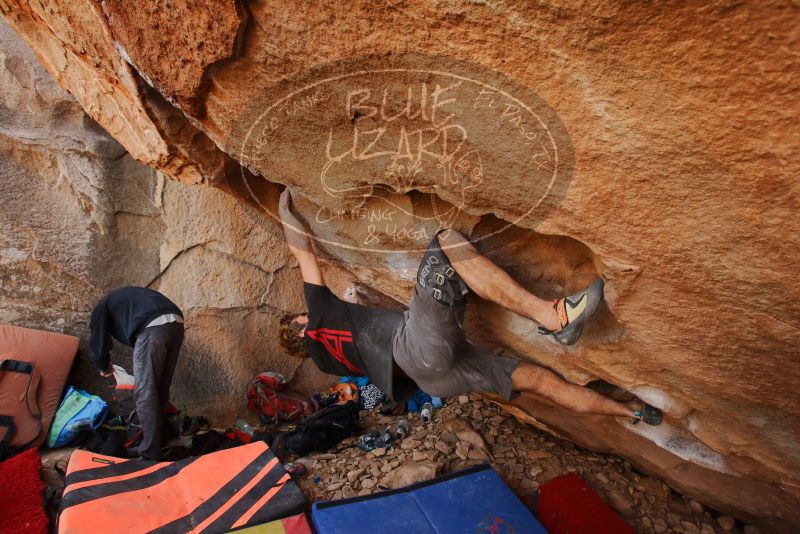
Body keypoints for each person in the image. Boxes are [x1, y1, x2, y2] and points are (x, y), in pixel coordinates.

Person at [278, 189, 662, 425]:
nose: (305, 314)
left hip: (433, 378)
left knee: (537, 381)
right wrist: (283, 206)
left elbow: (369, 344)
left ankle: (632, 413)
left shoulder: (326, 361)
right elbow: (304, 254)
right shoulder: (318, 318)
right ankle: (552, 316)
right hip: (417, 349)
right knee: (445, 241)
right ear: (299, 329)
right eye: (300, 317)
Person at [89, 286, 185, 459]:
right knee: (159, 389)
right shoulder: (123, 301)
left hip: (152, 327)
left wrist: (104, 367)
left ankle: (150, 452)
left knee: (145, 392)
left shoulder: (101, 309)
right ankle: (159, 440)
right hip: (175, 322)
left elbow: (98, 346)